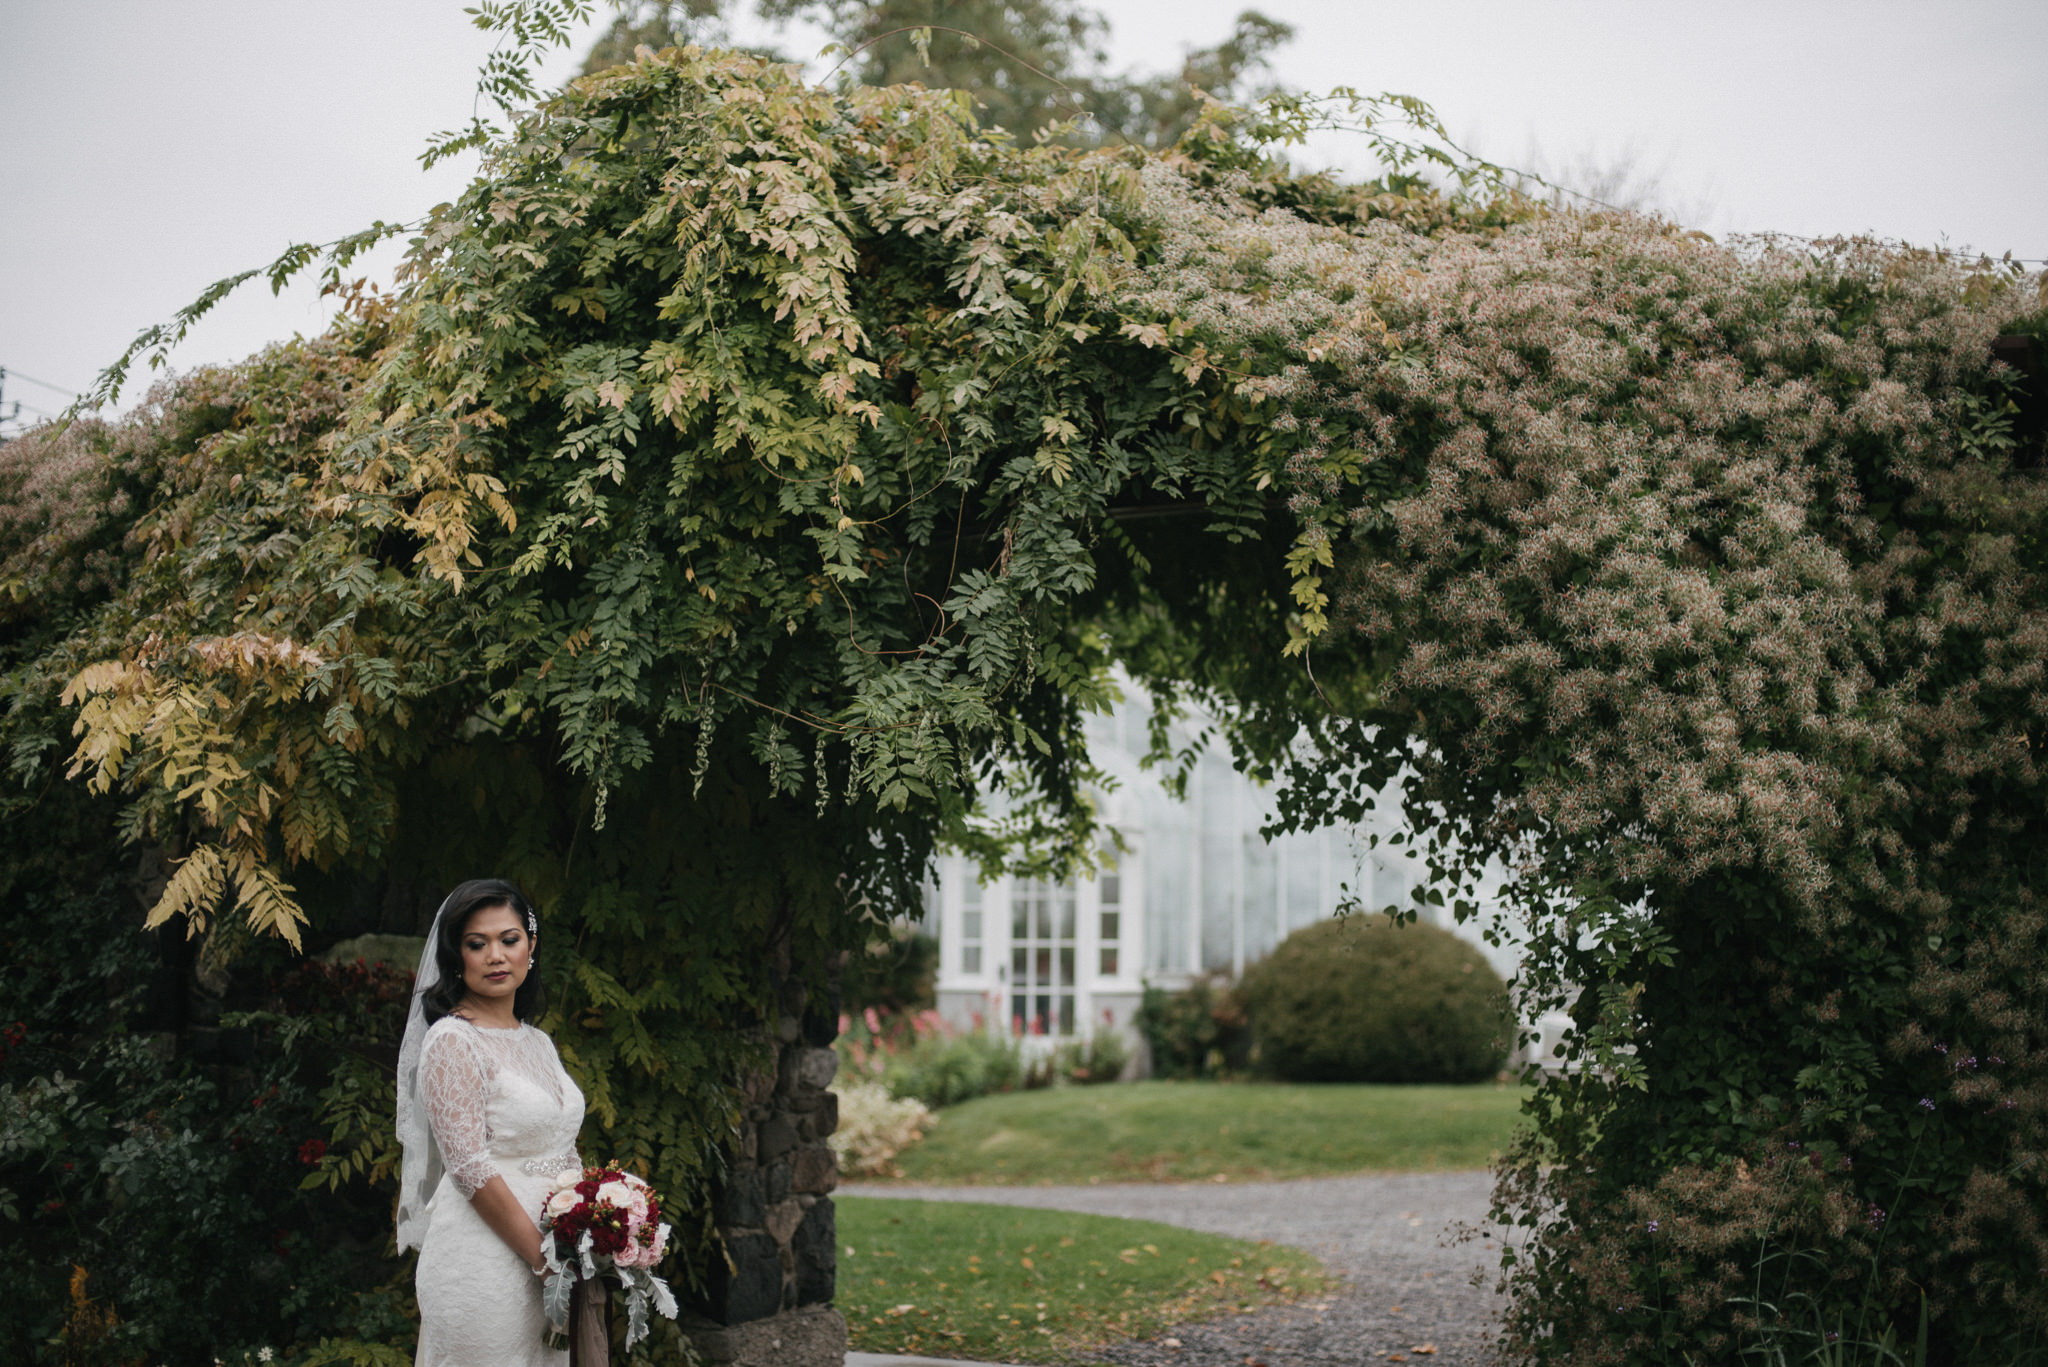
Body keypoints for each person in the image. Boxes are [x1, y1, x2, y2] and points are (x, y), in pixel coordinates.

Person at [395, 879, 585, 1366]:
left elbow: (562, 1146)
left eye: (509, 939)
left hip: (556, 1256)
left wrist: (594, 1227)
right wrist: (544, 1263)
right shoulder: (453, 1041)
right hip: (484, 1263)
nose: (496, 956)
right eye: (477, 945)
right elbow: (468, 1167)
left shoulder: (538, 1042)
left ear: (531, 945)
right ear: (457, 956)